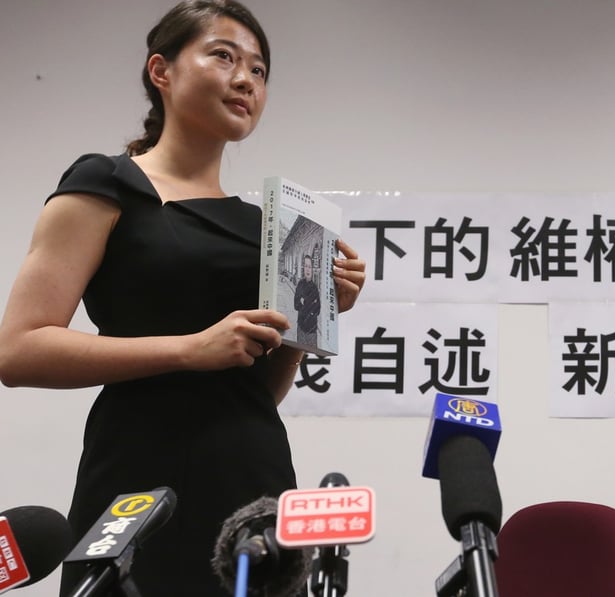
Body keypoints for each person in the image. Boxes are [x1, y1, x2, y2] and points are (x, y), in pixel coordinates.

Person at [0, 2, 366, 595]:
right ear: (161, 71)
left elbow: (259, 392)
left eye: (259, 70)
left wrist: (309, 320)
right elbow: (18, 351)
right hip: (141, 478)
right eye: (223, 56)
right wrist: (189, 349)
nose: (246, 79)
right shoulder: (107, 183)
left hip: (254, 476)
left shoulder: (268, 227)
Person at [294, 253, 321, 347]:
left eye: (309, 267)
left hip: (312, 330)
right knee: (299, 353)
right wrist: (310, 303)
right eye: (306, 266)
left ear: (312, 269)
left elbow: (318, 309)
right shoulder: (300, 285)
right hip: (301, 327)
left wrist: (304, 302)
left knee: (313, 351)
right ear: (303, 268)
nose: (308, 269)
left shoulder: (315, 288)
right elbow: (296, 305)